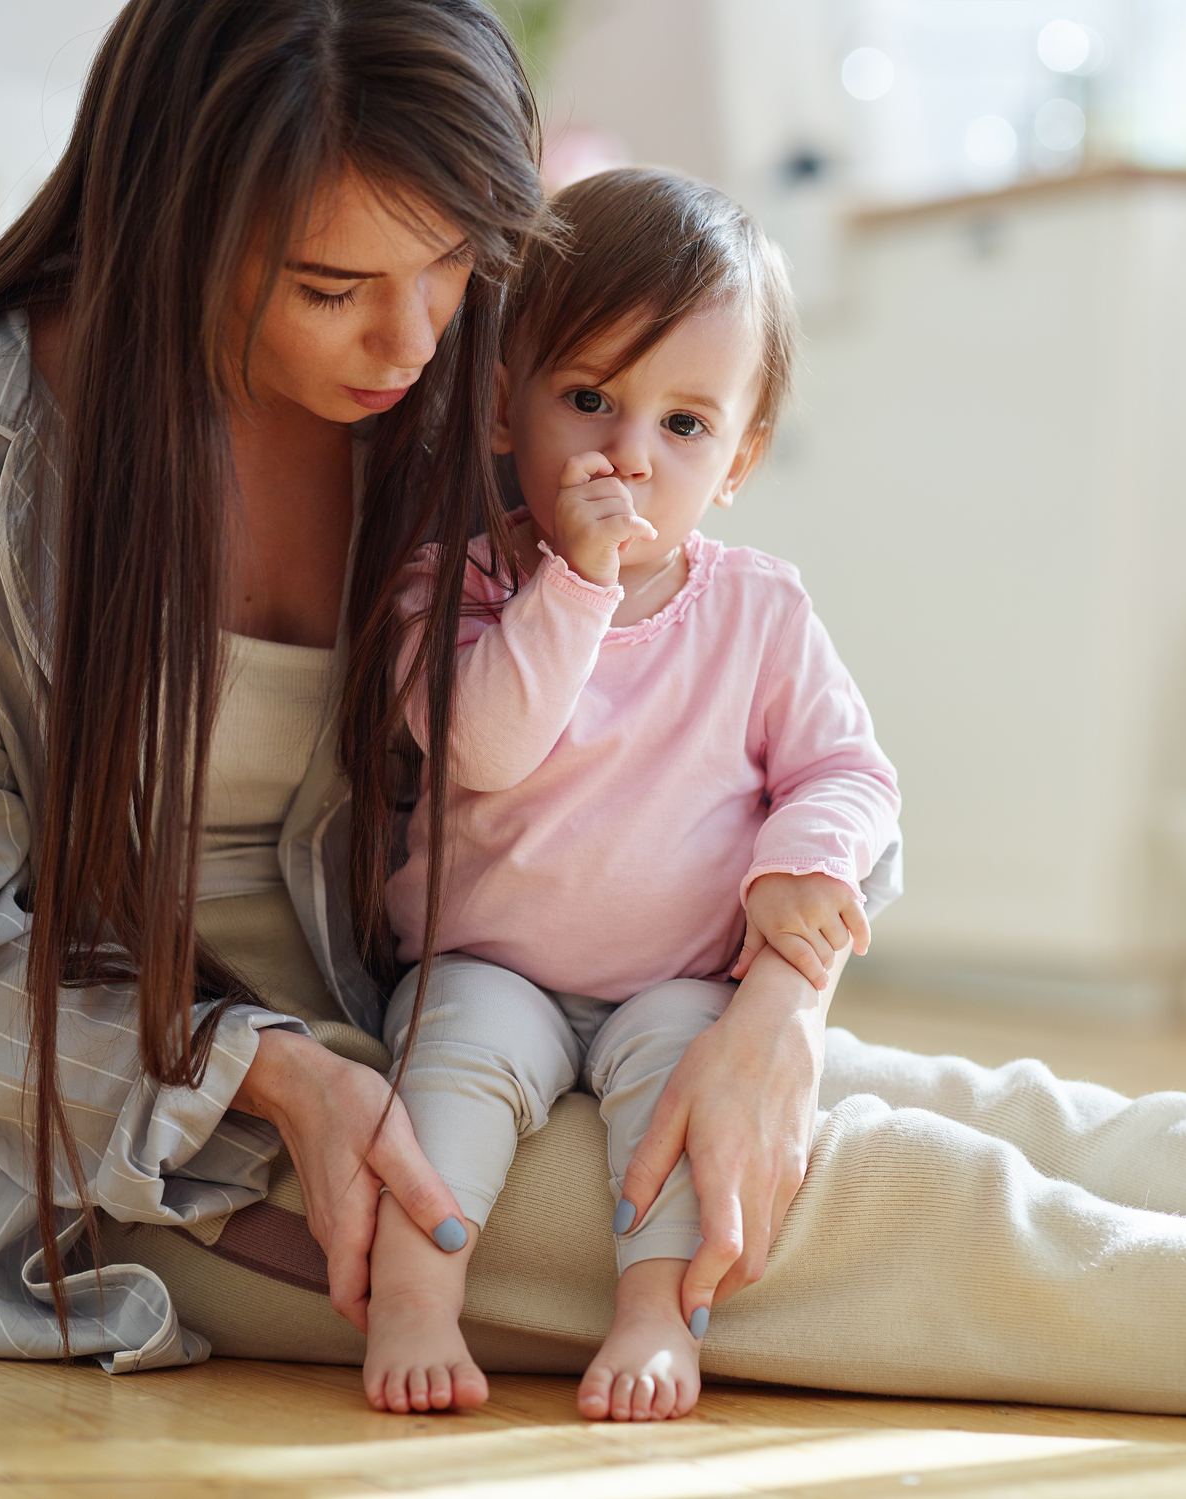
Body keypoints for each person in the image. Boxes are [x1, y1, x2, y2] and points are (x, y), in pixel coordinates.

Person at [0, 0, 1186, 1430]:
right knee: (858, 1216)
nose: (410, 339)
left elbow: (739, 691)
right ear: (166, 220)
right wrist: (273, 1071)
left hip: (432, 1010)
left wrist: (778, 1000)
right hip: (130, 1144)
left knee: (969, 1099)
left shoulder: (461, 396)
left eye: (457, 268)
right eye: (327, 287)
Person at [364, 168, 897, 1421]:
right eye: (590, 399)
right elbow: (484, 744)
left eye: (685, 426)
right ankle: (414, 1300)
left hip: (676, 977)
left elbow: (845, 767)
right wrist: (580, 582)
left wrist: (799, 862)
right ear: (504, 407)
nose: (627, 455)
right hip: (484, 958)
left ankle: (656, 1315)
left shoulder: (760, 610)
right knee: (447, 1068)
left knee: (678, 1091)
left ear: (739, 459)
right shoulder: (449, 589)